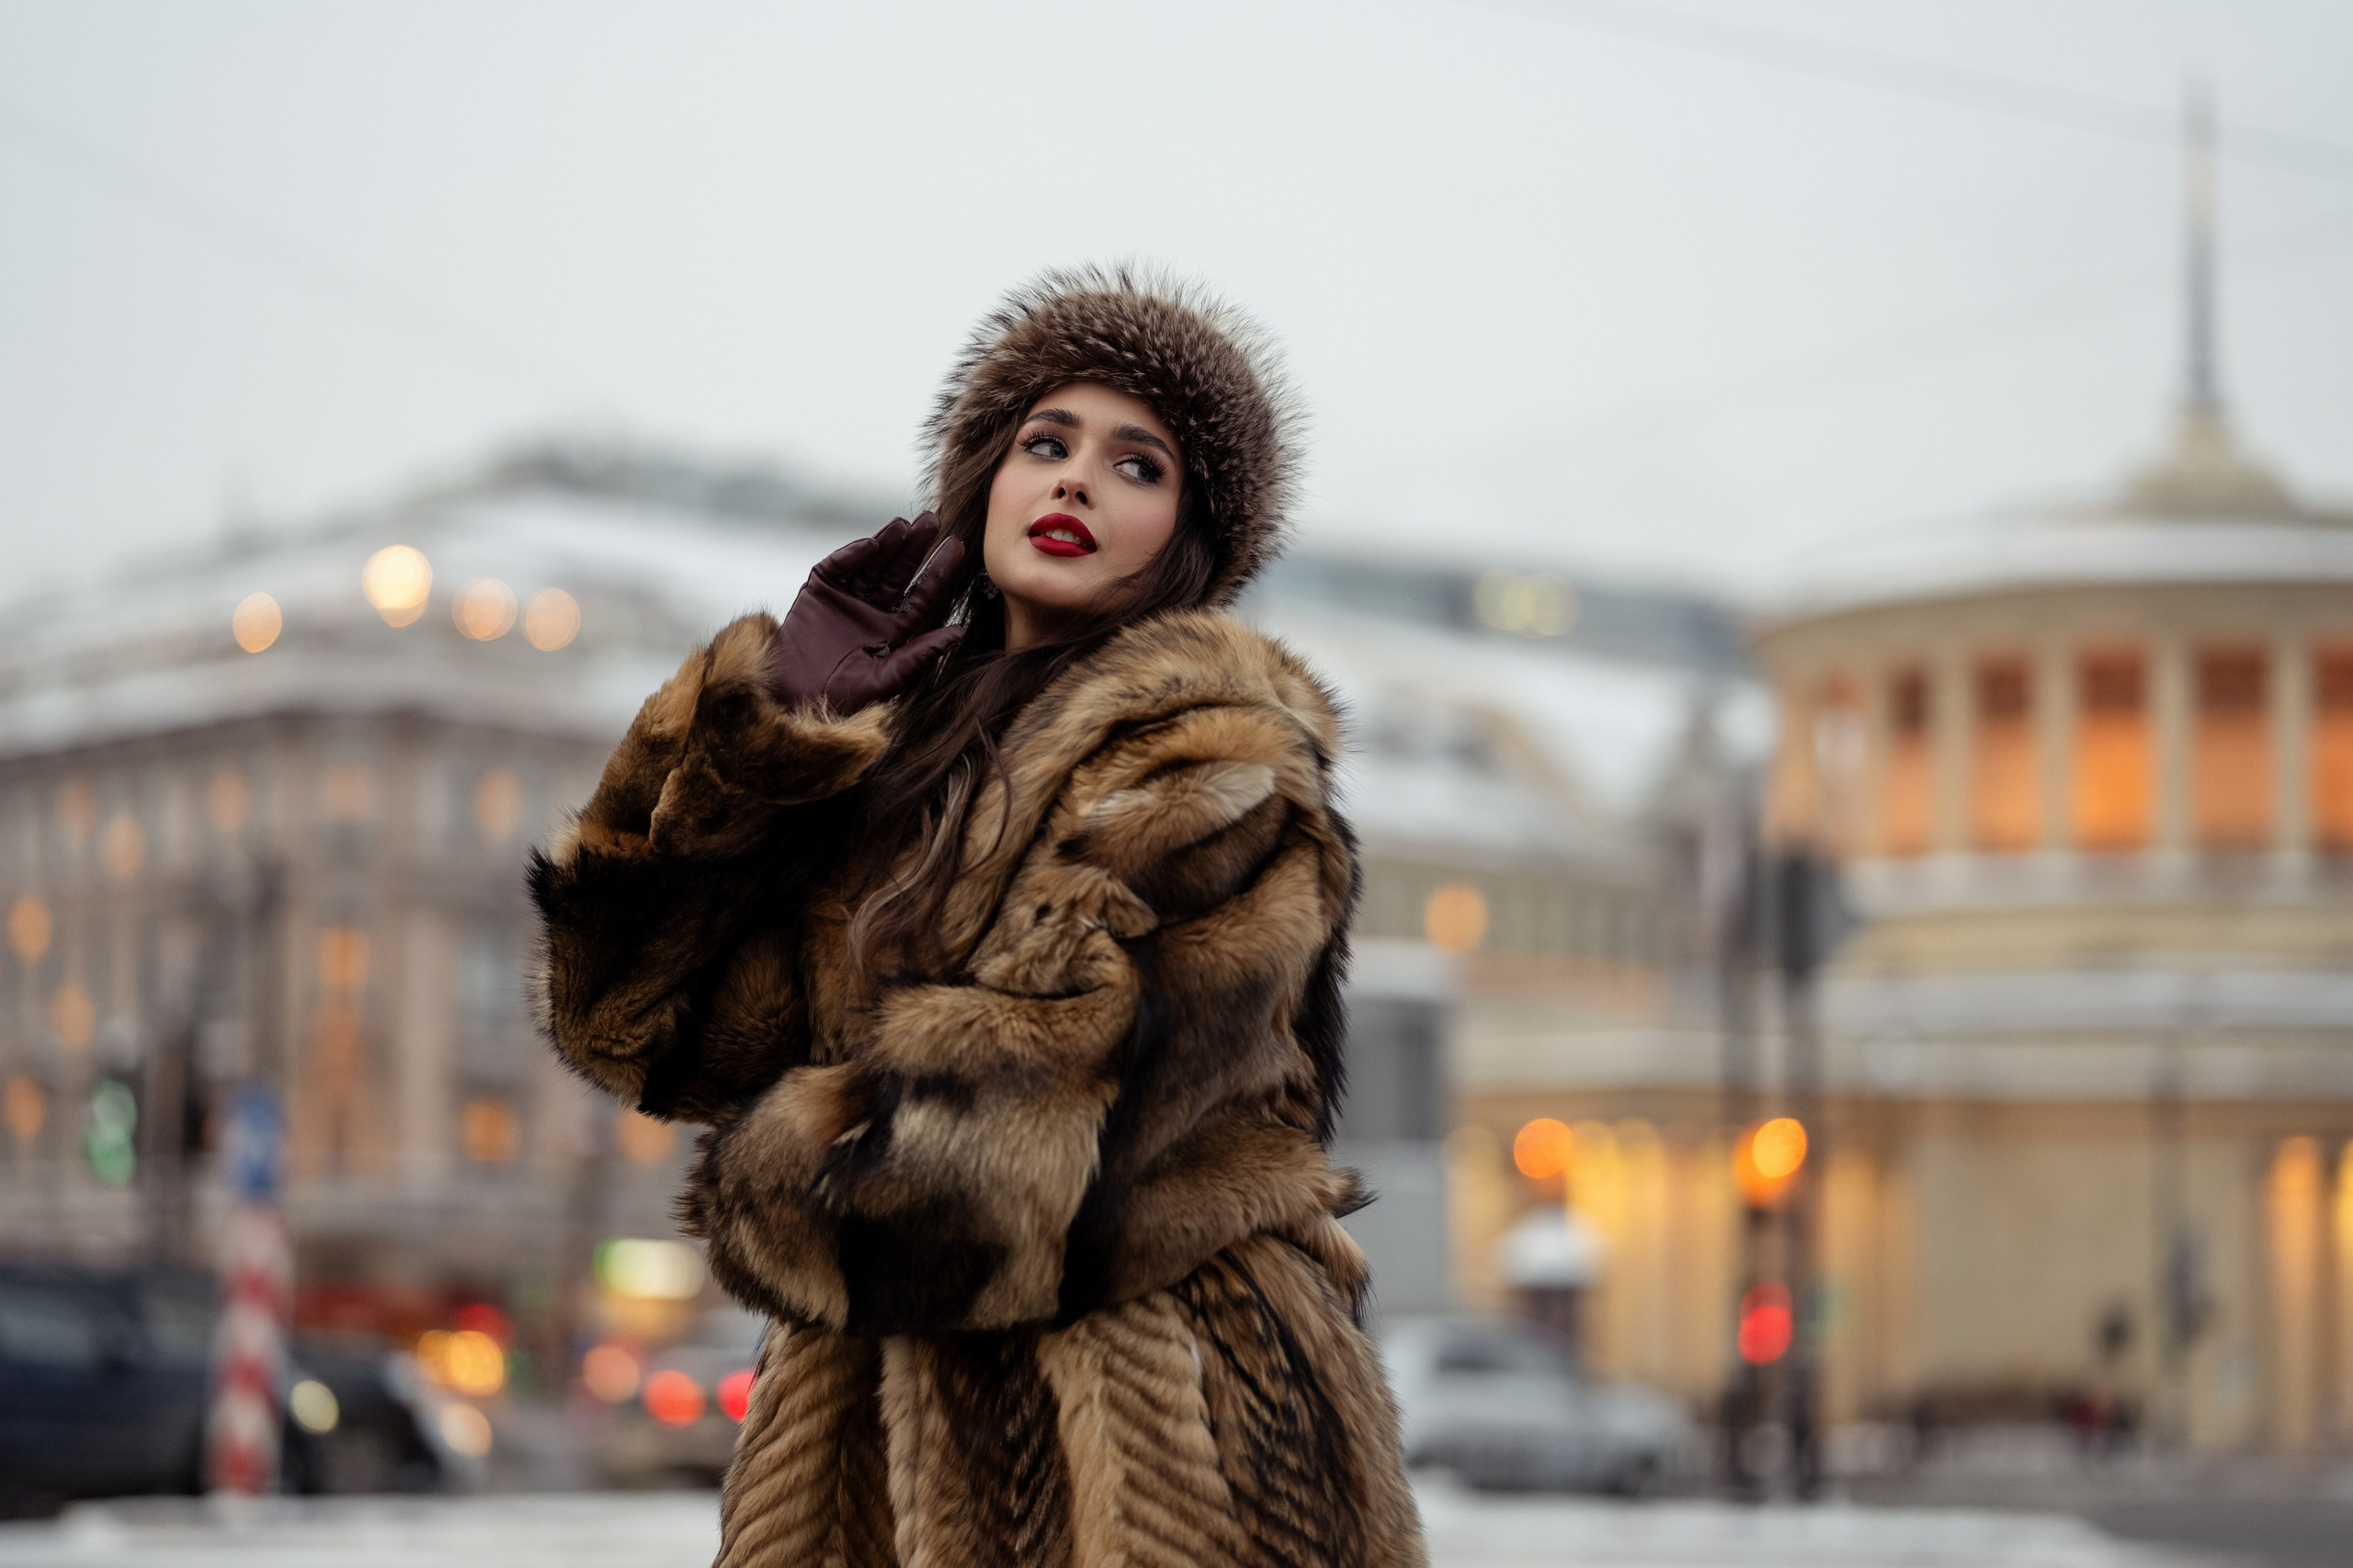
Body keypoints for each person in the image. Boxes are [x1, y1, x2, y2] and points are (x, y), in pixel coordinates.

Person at [531, 268, 1426, 1568]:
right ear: (983, 484)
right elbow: (634, 1026)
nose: (1073, 482)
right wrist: (762, 747)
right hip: (875, 1450)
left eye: (1137, 464)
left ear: (1188, 533)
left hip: (1153, 1438)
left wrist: (759, 1183)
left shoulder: (1217, 770)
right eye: (1044, 443)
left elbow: (1009, 1159)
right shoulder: (893, 764)